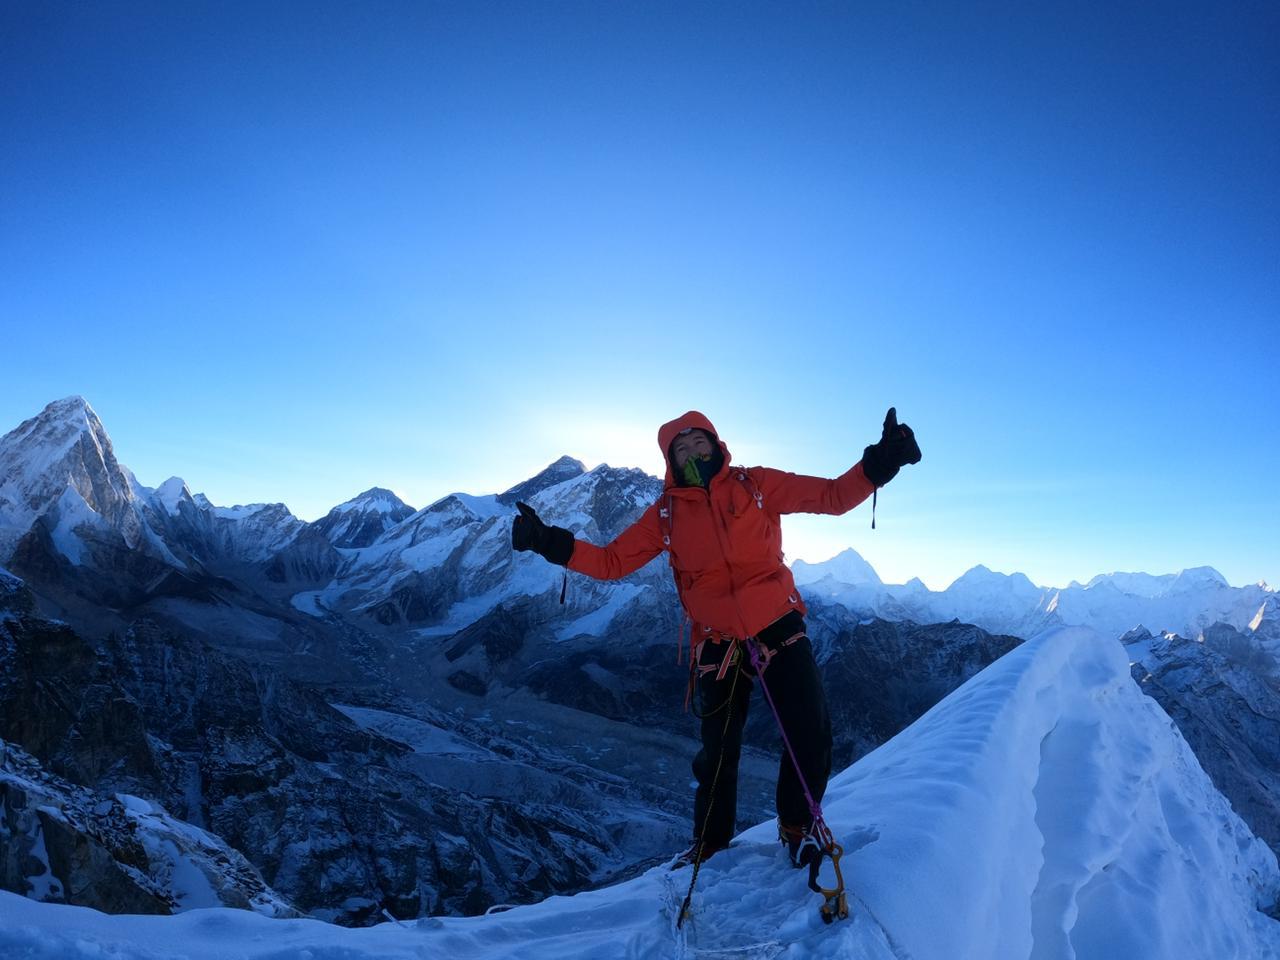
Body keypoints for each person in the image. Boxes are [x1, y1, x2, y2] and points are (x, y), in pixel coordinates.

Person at [511, 408, 921, 869]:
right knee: (718, 752)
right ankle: (709, 843)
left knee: (810, 729)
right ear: (670, 460)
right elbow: (611, 562)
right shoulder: (665, 514)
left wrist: (883, 460)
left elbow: (830, 495)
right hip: (717, 638)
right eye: (680, 448)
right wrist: (545, 540)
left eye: (697, 443)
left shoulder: (756, 484)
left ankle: (798, 828)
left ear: (715, 443)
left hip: (778, 623)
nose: (691, 452)